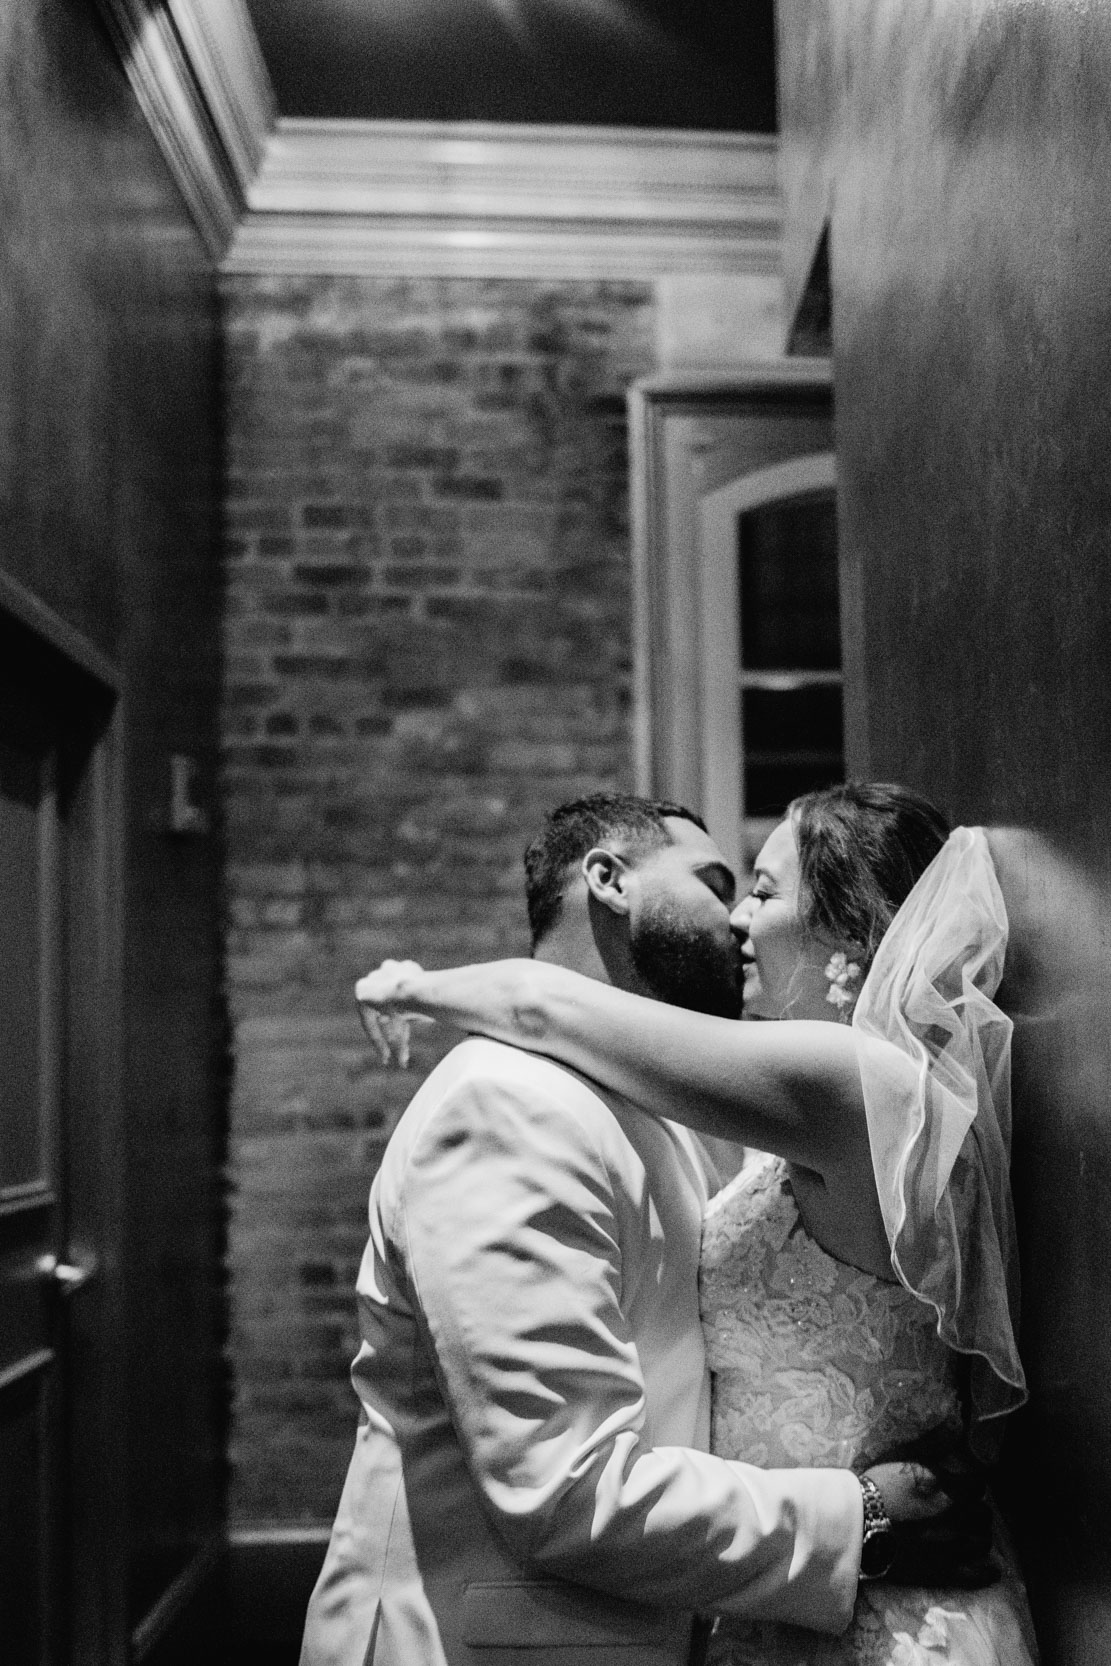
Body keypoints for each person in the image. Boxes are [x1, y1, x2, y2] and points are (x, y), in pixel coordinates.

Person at [353, 784, 1040, 1666]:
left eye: (760, 889)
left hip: (853, 1606)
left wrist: (414, 985)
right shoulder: (510, 1102)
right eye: (723, 882)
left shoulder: (843, 1082)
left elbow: (539, 1003)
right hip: (662, 1605)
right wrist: (853, 1518)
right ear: (607, 880)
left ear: (842, 925)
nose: (735, 917)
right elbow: (559, 1484)